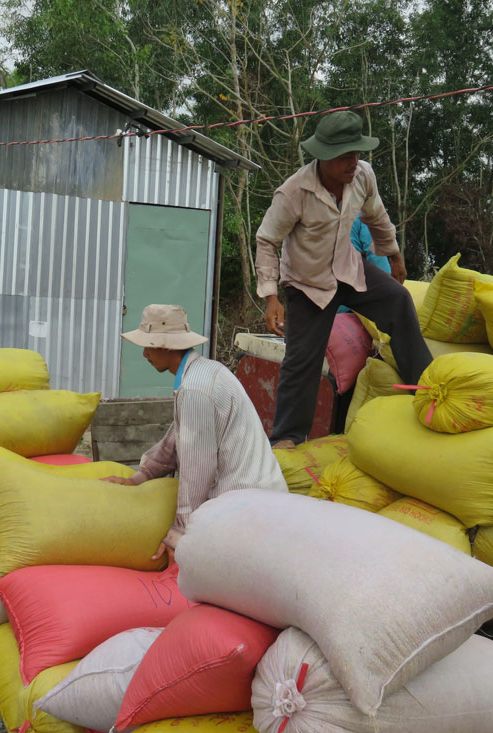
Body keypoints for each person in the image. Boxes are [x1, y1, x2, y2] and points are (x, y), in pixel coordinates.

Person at [255, 110, 432, 448]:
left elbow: (376, 215)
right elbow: (267, 241)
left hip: (349, 269)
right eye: (346, 156)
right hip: (308, 284)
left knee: (398, 301)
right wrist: (271, 296)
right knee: (302, 359)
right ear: (324, 157)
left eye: (357, 153)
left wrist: (393, 255)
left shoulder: (362, 176)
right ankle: (287, 438)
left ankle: (423, 388)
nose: (354, 161)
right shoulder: (293, 193)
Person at [104, 304, 287, 560]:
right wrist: (141, 477)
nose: (145, 354)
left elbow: (197, 470)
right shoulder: (203, 373)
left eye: (148, 345)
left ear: (165, 346)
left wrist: (180, 532)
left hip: (248, 505)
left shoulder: (195, 389)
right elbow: (177, 440)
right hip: (257, 499)